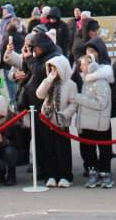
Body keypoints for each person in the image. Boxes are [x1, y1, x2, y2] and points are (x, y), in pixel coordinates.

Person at [74, 48, 114, 188]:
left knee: (104, 150)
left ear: (91, 66)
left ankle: (105, 173)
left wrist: (79, 98)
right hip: (86, 123)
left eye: (83, 65)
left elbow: (101, 103)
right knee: (88, 151)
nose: (81, 67)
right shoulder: (85, 81)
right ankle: (93, 172)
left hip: (98, 124)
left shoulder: (100, 81)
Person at [36, 54, 77, 187]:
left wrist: (64, 115)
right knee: (49, 149)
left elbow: (73, 104)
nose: (53, 71)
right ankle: (51, 175)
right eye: (51, 68)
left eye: (55, 68)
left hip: (61, 123)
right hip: (46, 121)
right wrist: (49, 79)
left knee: (62, 150)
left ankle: (65, 176)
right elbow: (39, 94)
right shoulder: (48, 82)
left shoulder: (70, 85)